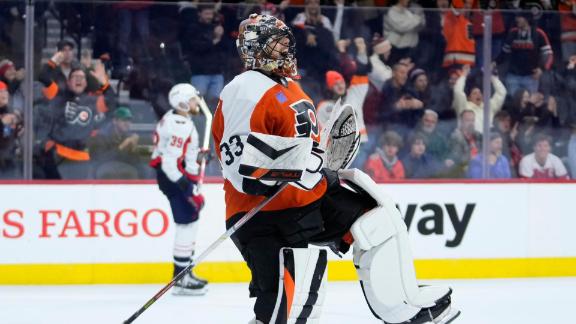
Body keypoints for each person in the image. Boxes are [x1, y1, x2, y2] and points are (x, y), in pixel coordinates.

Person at [212, 14, 455, 324]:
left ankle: (402, 307)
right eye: (278, 44)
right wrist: (301, 161)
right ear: (255, 50)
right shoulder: (244, 89)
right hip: (266, 213)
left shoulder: (289, 86)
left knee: (378, 219)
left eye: (288, 42)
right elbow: (240, 165)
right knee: (290, 310)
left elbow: (306, 152)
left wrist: (323, 162)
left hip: (306, 198)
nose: (287, 49)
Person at [150, 83, 209, 295]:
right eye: (193, 99)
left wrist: (197, 157)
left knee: (190, 221)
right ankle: (181, 279)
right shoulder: (179, 125)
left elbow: (178, 153)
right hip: (175, 179)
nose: (196, 103)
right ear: (183, 102)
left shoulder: (176, 118)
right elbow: (169, 163)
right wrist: (187, 188)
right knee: (186, 224)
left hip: (177, 176)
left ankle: (185, 272)